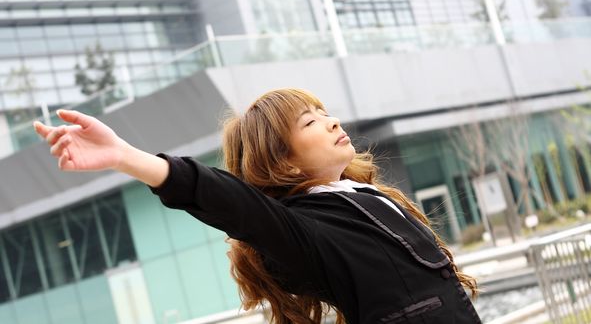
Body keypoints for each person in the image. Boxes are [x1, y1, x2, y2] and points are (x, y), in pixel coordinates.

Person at [34, 88, 481, 324]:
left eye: (325, 113)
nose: (333, 122)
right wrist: (128, 158)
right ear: (282, 159)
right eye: (311, 121)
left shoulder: (363, 197)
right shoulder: (303, 229)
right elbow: (232, 203)